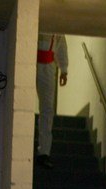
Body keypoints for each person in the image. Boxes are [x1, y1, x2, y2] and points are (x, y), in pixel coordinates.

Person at [35, 33, 68, 169]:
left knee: (47, 109)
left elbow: (61, 45)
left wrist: (64, 69)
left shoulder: (58, 26)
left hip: (48, 65)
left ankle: (44, 152)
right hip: (29, 62)